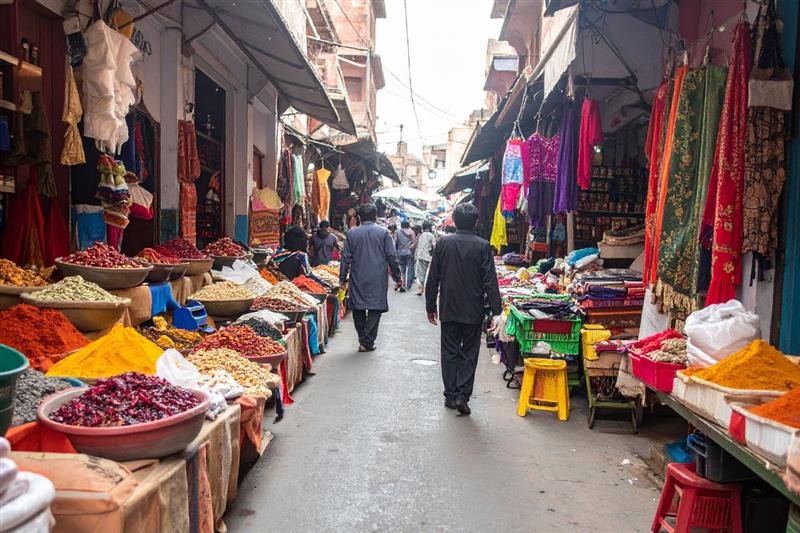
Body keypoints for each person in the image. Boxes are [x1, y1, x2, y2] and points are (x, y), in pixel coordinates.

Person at [425, 203, 502, 416]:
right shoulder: (482, 246)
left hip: (448, 306)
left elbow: (433, 277)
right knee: (469, 352)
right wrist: (497, 311)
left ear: (455, 221)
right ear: (476, 222)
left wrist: (430, 305)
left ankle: (450, 395)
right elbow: (490, 281)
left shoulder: (443, 244)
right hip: (473, 308)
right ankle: (462, 395)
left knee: (449, 351)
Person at [339, 204, 401, 352]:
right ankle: (367, 341)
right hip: (377, 276)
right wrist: (397, 276)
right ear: (375, 217)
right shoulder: (384, 233)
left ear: (359, 217)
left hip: (357, 276)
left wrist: (342, 278)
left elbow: (345, 257)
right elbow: (392, 256)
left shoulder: (352, 234)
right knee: (375, 307)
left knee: (358, 308)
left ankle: (364, 339)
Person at [394, 220, 416, 292]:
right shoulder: (412, 232)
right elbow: (414, 243)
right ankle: (408, 286)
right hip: (409, 253)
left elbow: (396, 242)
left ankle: (402, 284)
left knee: (402, 269)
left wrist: (396, 251)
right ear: (408, 225)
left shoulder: (397, 232)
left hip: (400, 253)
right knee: (410, 269)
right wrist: (411, 249)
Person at [414, 221, 435, 296]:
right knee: (428, 273)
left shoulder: (421, 235)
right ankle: (426, 288)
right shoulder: (431, 235)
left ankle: (420, 288)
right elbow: (434, 246)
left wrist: (415, 255)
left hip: (420, 255)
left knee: (421, 273)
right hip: (428, 256)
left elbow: (417, 246)